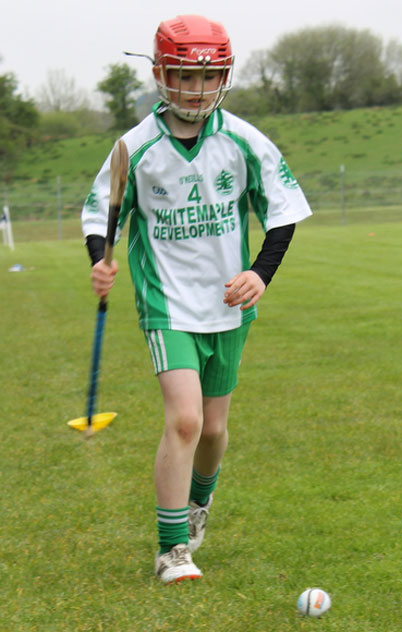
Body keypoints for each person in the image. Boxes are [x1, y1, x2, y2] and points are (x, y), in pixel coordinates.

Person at [81, 14, 312, 584]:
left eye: (208, 79)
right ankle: (172, 550)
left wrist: (261, 274)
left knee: (212, 430)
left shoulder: (242, 140)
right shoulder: (134, 148)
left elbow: (281, 212)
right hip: (166, 304)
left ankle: (197, 504)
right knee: (184, 421)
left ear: (223, 79)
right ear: (161, 74)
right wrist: (100, 258)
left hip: (229, 305)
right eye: (185, 76)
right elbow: (98, 215)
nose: (196, 90)